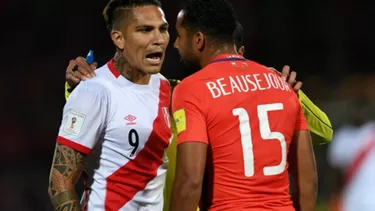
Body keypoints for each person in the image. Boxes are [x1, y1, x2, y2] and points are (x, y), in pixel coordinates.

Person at [170, 0, 317, 210]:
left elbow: (190, 181)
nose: (175, 44)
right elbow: (307, 178)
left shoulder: (192, 89)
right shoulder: (282, 85)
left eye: (180, 36)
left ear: (198, 40)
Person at [48, 0, 172, 210]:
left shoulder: (164, 85)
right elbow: (59, 183)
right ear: (119, 38)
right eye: (145, 30)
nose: (158, 39)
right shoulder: (94, 91)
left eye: (163, 29)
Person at [233, 22, 333, 145]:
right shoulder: (205, 92)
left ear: (240, 52)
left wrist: (293, 101)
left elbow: (324, 134)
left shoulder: (271, 83)